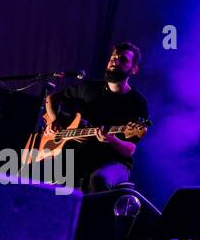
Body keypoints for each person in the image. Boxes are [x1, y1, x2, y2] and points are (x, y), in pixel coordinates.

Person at [43, 43, 149, 192]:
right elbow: (51, 99)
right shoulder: (89, 88)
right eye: (113, 58)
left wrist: (113, 140)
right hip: (79, 155)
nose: (115, 61)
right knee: (39, 174)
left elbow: (130, 149)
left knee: (99, 180)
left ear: (134, 69)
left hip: (115, 162)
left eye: (123, 60)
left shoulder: (137, 103)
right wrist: (54, 120)